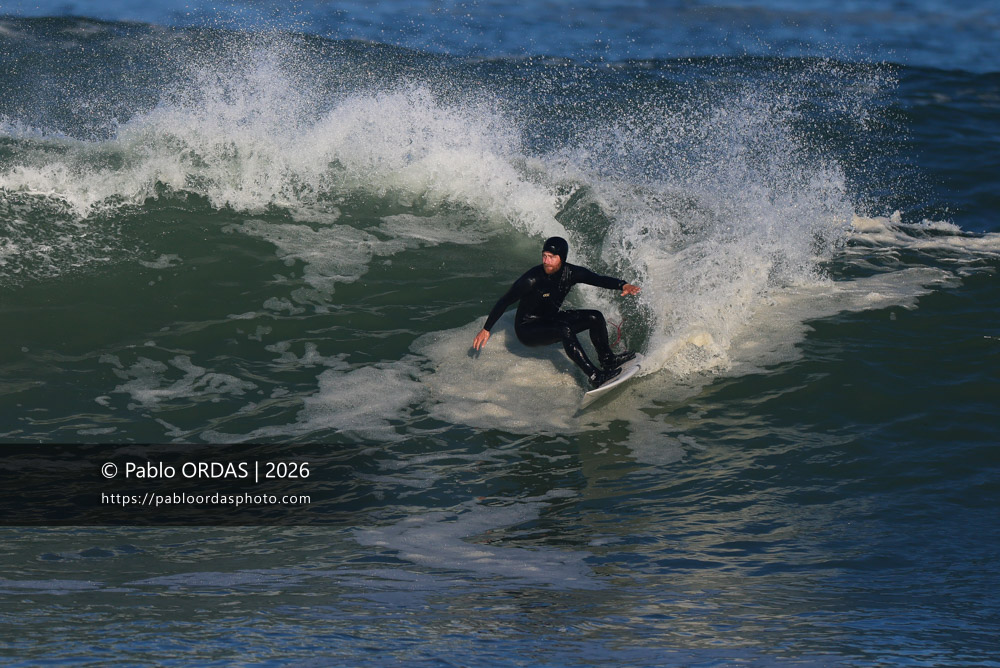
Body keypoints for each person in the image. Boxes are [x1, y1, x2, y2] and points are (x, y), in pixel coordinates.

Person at [472, 236, 641, 388]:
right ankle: (595, 375)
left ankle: (608, 361)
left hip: (550, 319)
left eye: (552, 257)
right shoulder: (531, 279)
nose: (546, 261)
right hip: (528, 329)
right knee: (564, 329)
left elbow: (597, 279)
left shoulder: (571, 273)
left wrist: (622, 285)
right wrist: (486, 328)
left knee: (595, 317)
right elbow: (504, 300)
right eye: (544, 256)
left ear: (562, 258)